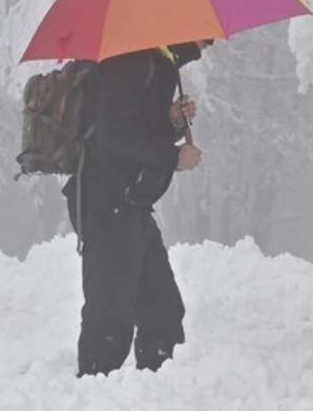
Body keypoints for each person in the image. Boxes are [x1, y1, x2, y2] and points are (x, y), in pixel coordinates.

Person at [62, 39, 212, 377]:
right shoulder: (128, 61)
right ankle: (94, 394)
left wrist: (171, 120)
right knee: (110, 317)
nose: (208, 42)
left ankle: (160, 390)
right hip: (107, 203)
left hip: (130, 204)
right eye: (204, 34)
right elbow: (112, 137)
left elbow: (135, 125)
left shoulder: (152, 62)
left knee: (162, 309)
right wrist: (173, 156)